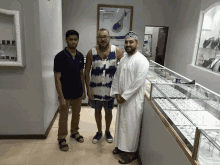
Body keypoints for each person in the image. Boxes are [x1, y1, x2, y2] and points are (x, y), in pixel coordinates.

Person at [110, 31, 149, 164]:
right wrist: (116, 93)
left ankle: (131, 153)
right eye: (126, 42)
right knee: (122, 124)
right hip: (122, 99)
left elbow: (138, 82)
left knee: (131, 126)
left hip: (133, 101)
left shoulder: (142, 60)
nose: (128, 44)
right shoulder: (123, 59)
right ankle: (121, 147)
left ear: (137, 43)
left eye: (131, 42)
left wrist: (124, 96)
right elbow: (116, 77)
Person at [85, 28, 124, 144]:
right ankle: (99, 132)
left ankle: (107, 131)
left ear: (109, 38)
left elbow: (123, 70)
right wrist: (88, 89)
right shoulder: (91, 52)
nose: (102, 39)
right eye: (100, 37)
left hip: (110, 89)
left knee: (108, 111)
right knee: (97, 111)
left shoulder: (116, 51)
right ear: (97, 38)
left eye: (105, 36)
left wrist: (119, 89)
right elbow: (86, 72)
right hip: (95, 89)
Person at [53, 30, 86, 152]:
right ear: (66, 40)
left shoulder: (80, 56)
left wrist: (83, 91)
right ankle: (61, 138)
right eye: (71, 39)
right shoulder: (60, 57)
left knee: (76, 115)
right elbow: (57, 78)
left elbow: (81, 75)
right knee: (63, 117)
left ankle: (74, 132)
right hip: (65, 93)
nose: (73, 42)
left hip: (77, 92)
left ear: (78, 40)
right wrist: (60, 96)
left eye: (75, 39)